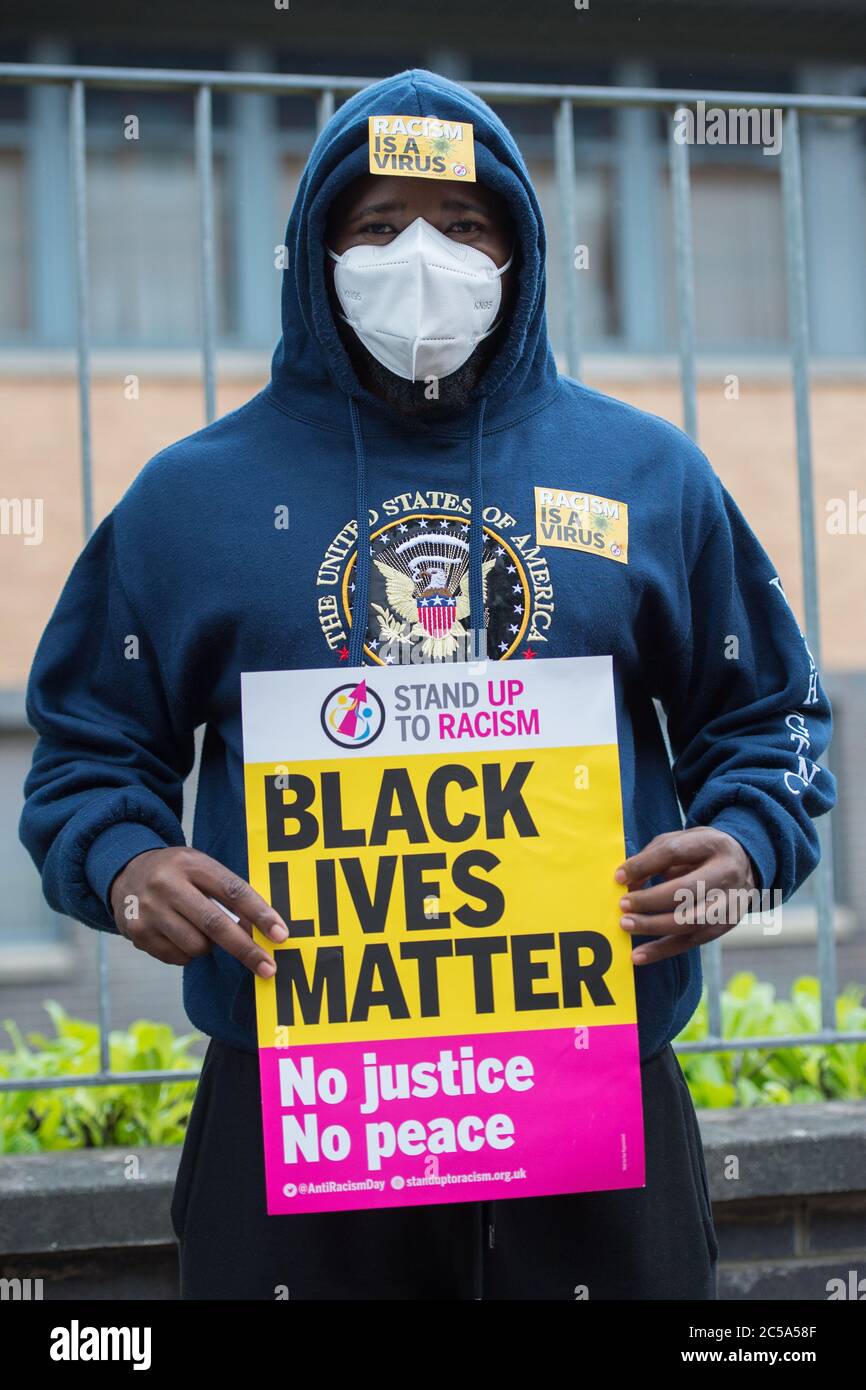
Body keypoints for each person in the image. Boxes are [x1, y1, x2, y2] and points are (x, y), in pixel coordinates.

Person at [20, 69, 835, 1301]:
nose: (420, 258)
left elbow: (768, 716)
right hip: (299, 1112)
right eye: (375, 224)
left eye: (462, 228)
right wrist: (126, 864)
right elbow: (87, 749)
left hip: (588, 1095)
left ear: (519, 251)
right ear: (315, 254)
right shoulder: (191, 501)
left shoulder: (644, 476)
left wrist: (743, 842)